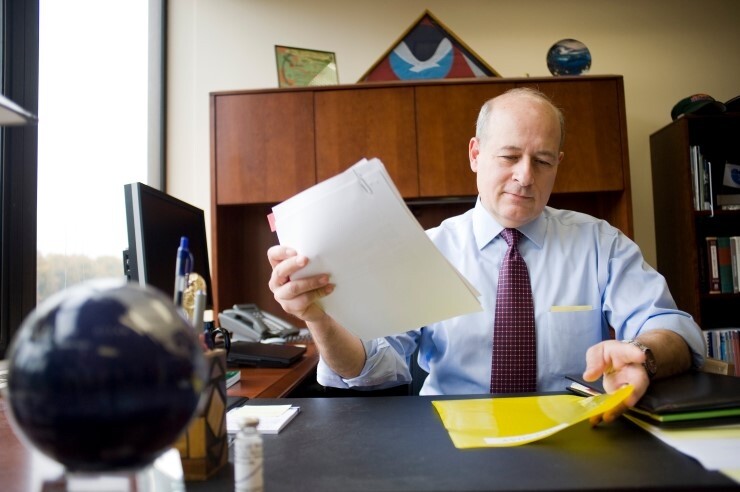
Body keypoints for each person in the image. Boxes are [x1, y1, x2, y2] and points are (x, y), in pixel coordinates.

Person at [267, 87, 705, 423]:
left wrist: (642, 355)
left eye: (543, 161)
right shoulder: (427, 250)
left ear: (559, 164)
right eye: (509, 156)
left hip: (571, 436)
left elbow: (672, 328)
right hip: (450, 445)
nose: (524, 176)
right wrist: (319, 319)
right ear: (476, 154)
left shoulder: (599, 243)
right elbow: (373, 365)